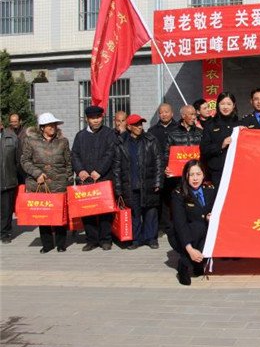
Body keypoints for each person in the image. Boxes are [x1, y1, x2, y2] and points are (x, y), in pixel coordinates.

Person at [20, 112, 72, 253]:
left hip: (59, 183)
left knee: (60, 214)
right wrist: (36, 173)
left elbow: (68, 162)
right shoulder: (30, 141)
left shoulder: (63, 142)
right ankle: (47, 244)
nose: (52, 127)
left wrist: (69, 179)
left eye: (54, 124)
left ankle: (61, 244)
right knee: (43, 215)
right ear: (42, 127)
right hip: (40, 183)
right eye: (49, 125)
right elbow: (25, 161)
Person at [114, 114, 163, 249]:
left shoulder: (150, 140)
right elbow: (117, 167)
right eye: (136, 125)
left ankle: (151, 238)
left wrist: (158, 182)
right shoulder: (121, 142)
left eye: (141, 124)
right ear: (129, 127)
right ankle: (136, 239)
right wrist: (118, 188)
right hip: (130, 184)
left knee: (150, 212)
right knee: (134, 214)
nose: (140, 127)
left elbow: (159, 162)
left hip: (149, 183)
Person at [71, 106, 117, 251]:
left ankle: (105, 239)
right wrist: (80, 170)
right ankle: (91, 240)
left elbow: (110, 153)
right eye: (92, 118)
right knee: (87, 210)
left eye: (98, 117)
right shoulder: (80, 136)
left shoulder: (109, 134)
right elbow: (74, 154)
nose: (96, 120)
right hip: (85, 180)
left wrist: (100, 171)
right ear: (87, 119)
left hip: (103, 178)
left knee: (105, 211)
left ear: (102, 118)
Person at [168, 160, 216, 286]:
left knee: (204, 228)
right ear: (186, 176)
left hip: (202, 233)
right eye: (191, 175)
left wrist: (210, 216)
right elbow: (180, 224)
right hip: (183, 235)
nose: (195, 178)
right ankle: (184, 264)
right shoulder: (178, 194)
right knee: (198, 226)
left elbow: (214, 210)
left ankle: (198, 262)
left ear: (203, 175)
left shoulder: (210, 190)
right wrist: (190, 250)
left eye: (198, 174)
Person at [162, 105, 202, 232]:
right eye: (191, 114)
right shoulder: (173, 133)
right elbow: (166, 155)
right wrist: (166, 167)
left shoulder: (200, 133)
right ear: (183, 116)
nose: (194, 117)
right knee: (180, 207)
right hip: (178, 179)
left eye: (195, 114)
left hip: (195, 178)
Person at [148, 103, 179, 236]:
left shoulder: (179, 128)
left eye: (166, 112)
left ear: (172, 113)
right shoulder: (152, 131)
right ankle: (162, 225)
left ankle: (175, 224)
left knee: (175, 198)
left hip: (176, 170)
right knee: (160, 198)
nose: (164, 114)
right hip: (159, 170)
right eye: (161, 112)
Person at [200, 92, 240, 186]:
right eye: (222, 104)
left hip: (236, 170)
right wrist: (221, 145)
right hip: (217, 172)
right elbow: (204, 149)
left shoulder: (240, 124)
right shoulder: (210, 125)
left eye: (229, 104)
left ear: (233, 106)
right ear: (218, 105)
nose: (225, 107)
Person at [1, 121, 19, 244]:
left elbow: (18, 159)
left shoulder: (12, 137)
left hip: (8, 178)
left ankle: (5, 233)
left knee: (6, 210)